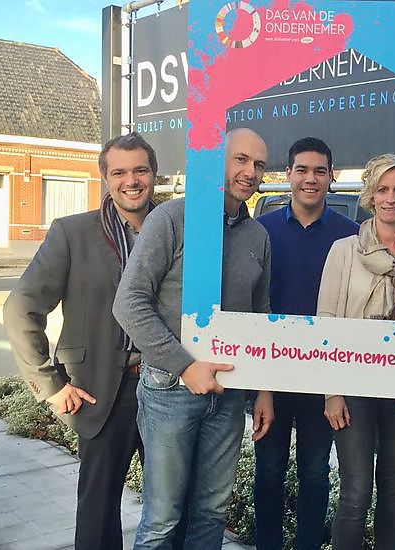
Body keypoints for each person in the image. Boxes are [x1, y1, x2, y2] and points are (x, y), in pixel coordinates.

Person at [112, 127, 274, 549]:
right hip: (170, 389)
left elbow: (260, 316)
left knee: (212, 512)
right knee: (163, 518)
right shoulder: (171, 219)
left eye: (259, 164)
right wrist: (186, 366)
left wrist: (264, 391)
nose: (250, 171)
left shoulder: (257, 236)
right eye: (241, 159)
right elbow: (128, 303)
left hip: (229, 393)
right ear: (216, 161)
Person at [3, 132, 156, 549]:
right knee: (98, 513)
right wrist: (50, 385)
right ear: (105, 177)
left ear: (154, 175)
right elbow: (20, 308)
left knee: (170, 507)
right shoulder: (72, 233)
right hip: (102, 389)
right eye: (119, 172)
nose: (131, 181)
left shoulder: (175, 229)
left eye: (140, 170)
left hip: (168, 389)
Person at [254, 137, 359, 550]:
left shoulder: (350, 236)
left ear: (331, 177)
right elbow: (252, 307)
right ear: (288, 175)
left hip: (323, 377)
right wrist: (260, 385)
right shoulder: (262, 232)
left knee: (315, 474)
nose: (310, 179)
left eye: (319, 171)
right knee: (269, 472)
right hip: (272, 374)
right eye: (302, 170)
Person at [318, 153, 395, 549]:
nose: (391, 198)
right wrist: (331, 393)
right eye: (383, 189)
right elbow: (326, 323)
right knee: (356, 491)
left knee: (394, 492)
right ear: (371, 195)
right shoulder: (344, 250)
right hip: (352, 385)